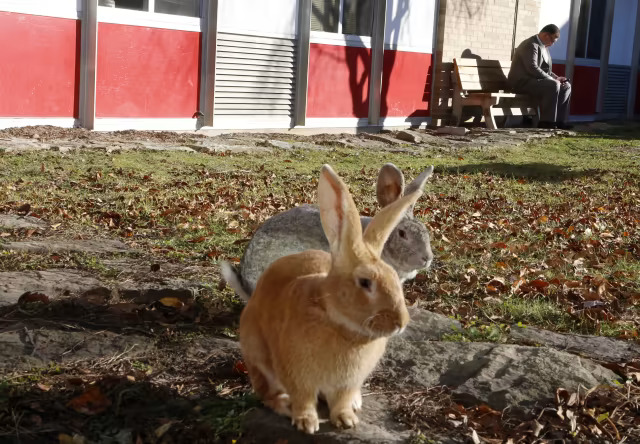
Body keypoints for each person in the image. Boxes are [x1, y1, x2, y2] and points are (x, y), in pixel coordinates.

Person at [508, 24, 572, 129]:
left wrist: (556, 78)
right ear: (546, 35)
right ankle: (546, 122)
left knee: (566, 86)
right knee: (552, 85)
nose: (552, 44)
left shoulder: (543, 47)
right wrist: (552, 80)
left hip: (534, 82)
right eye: (553, 40)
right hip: (521, 83)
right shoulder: (530, 44)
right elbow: (532, 67)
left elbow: (545, 70)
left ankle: (559, 121)